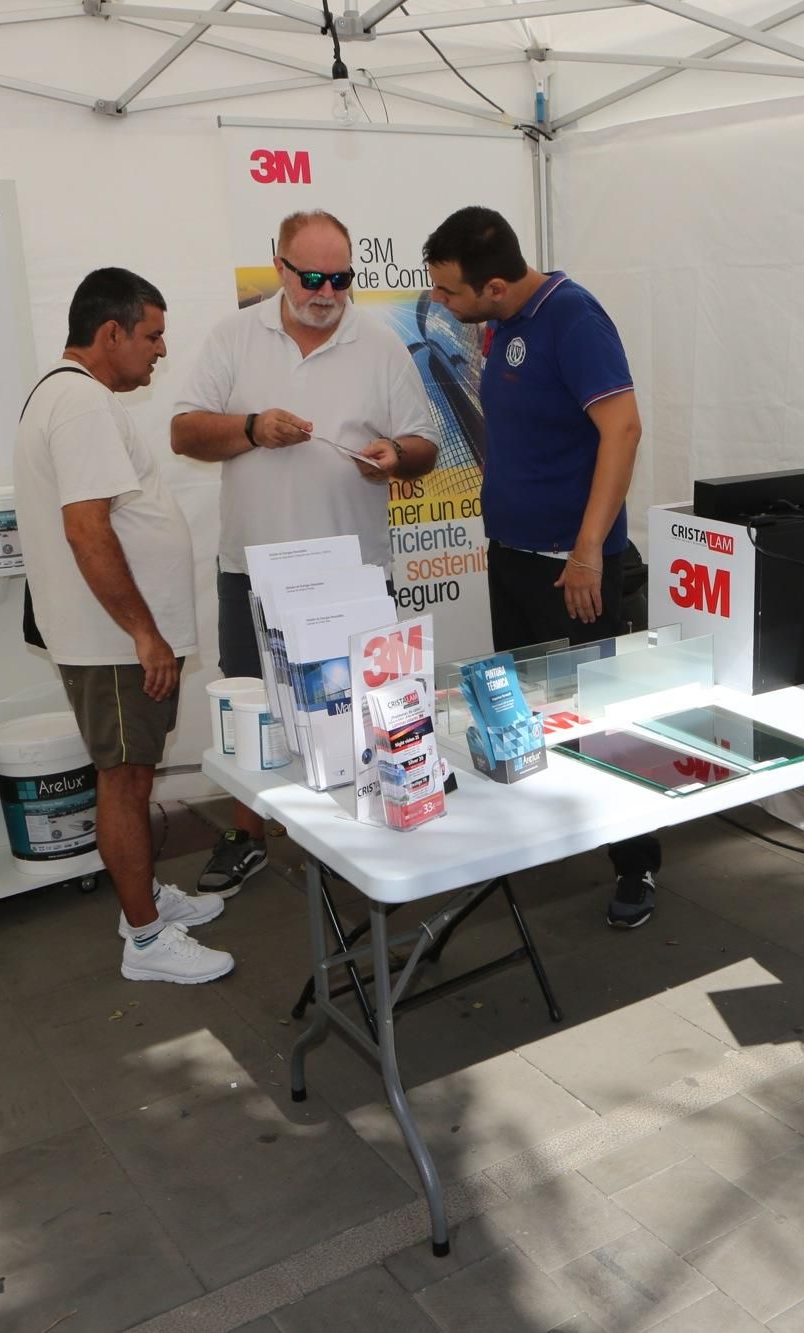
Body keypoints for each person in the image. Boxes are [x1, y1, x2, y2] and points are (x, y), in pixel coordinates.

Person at [172, 211, 440, 895]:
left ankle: (362, 826)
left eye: (341, 279)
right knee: (252, 704)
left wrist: (394, 458)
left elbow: (424, 445)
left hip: (351, 572)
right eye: (312, 276)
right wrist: (253, 428)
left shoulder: (377, 343)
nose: (326, 292)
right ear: (280, 266)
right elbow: (186, 432)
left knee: (361, 703)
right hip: (253, 569)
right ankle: (247, 832)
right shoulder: (236, 336)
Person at [421, 206, 660, 928]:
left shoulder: (574, 318)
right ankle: (543, 831)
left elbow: (623, 428)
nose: (442, 305)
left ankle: (636, 859)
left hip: (572, 565)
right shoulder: (503, 325)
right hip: (515, 556)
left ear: (495, 286)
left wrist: (589, 550)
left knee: (602, 715)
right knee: (520, 707)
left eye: (452, 294)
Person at [17, 268, 233, 985]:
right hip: (114, 644)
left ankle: (141, 906)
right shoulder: (78, 404)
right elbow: (87, 531)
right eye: (152, 335)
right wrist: (144, 632)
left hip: (118, 639)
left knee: (133, 776)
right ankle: (145, 940)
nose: (161, 350)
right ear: (110, 333)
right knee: (126, 781)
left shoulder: (80, 399)